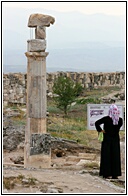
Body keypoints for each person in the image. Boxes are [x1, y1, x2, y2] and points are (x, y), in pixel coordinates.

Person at [95, 104, 123, 179]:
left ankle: (106, 173)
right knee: (115, 155)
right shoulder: (119, 120)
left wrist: (100, 130)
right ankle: (115, 174)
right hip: (115, 139)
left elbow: (96, 123)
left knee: (106, 155)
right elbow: (118, 128)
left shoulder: (106, 119)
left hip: (107, 138)